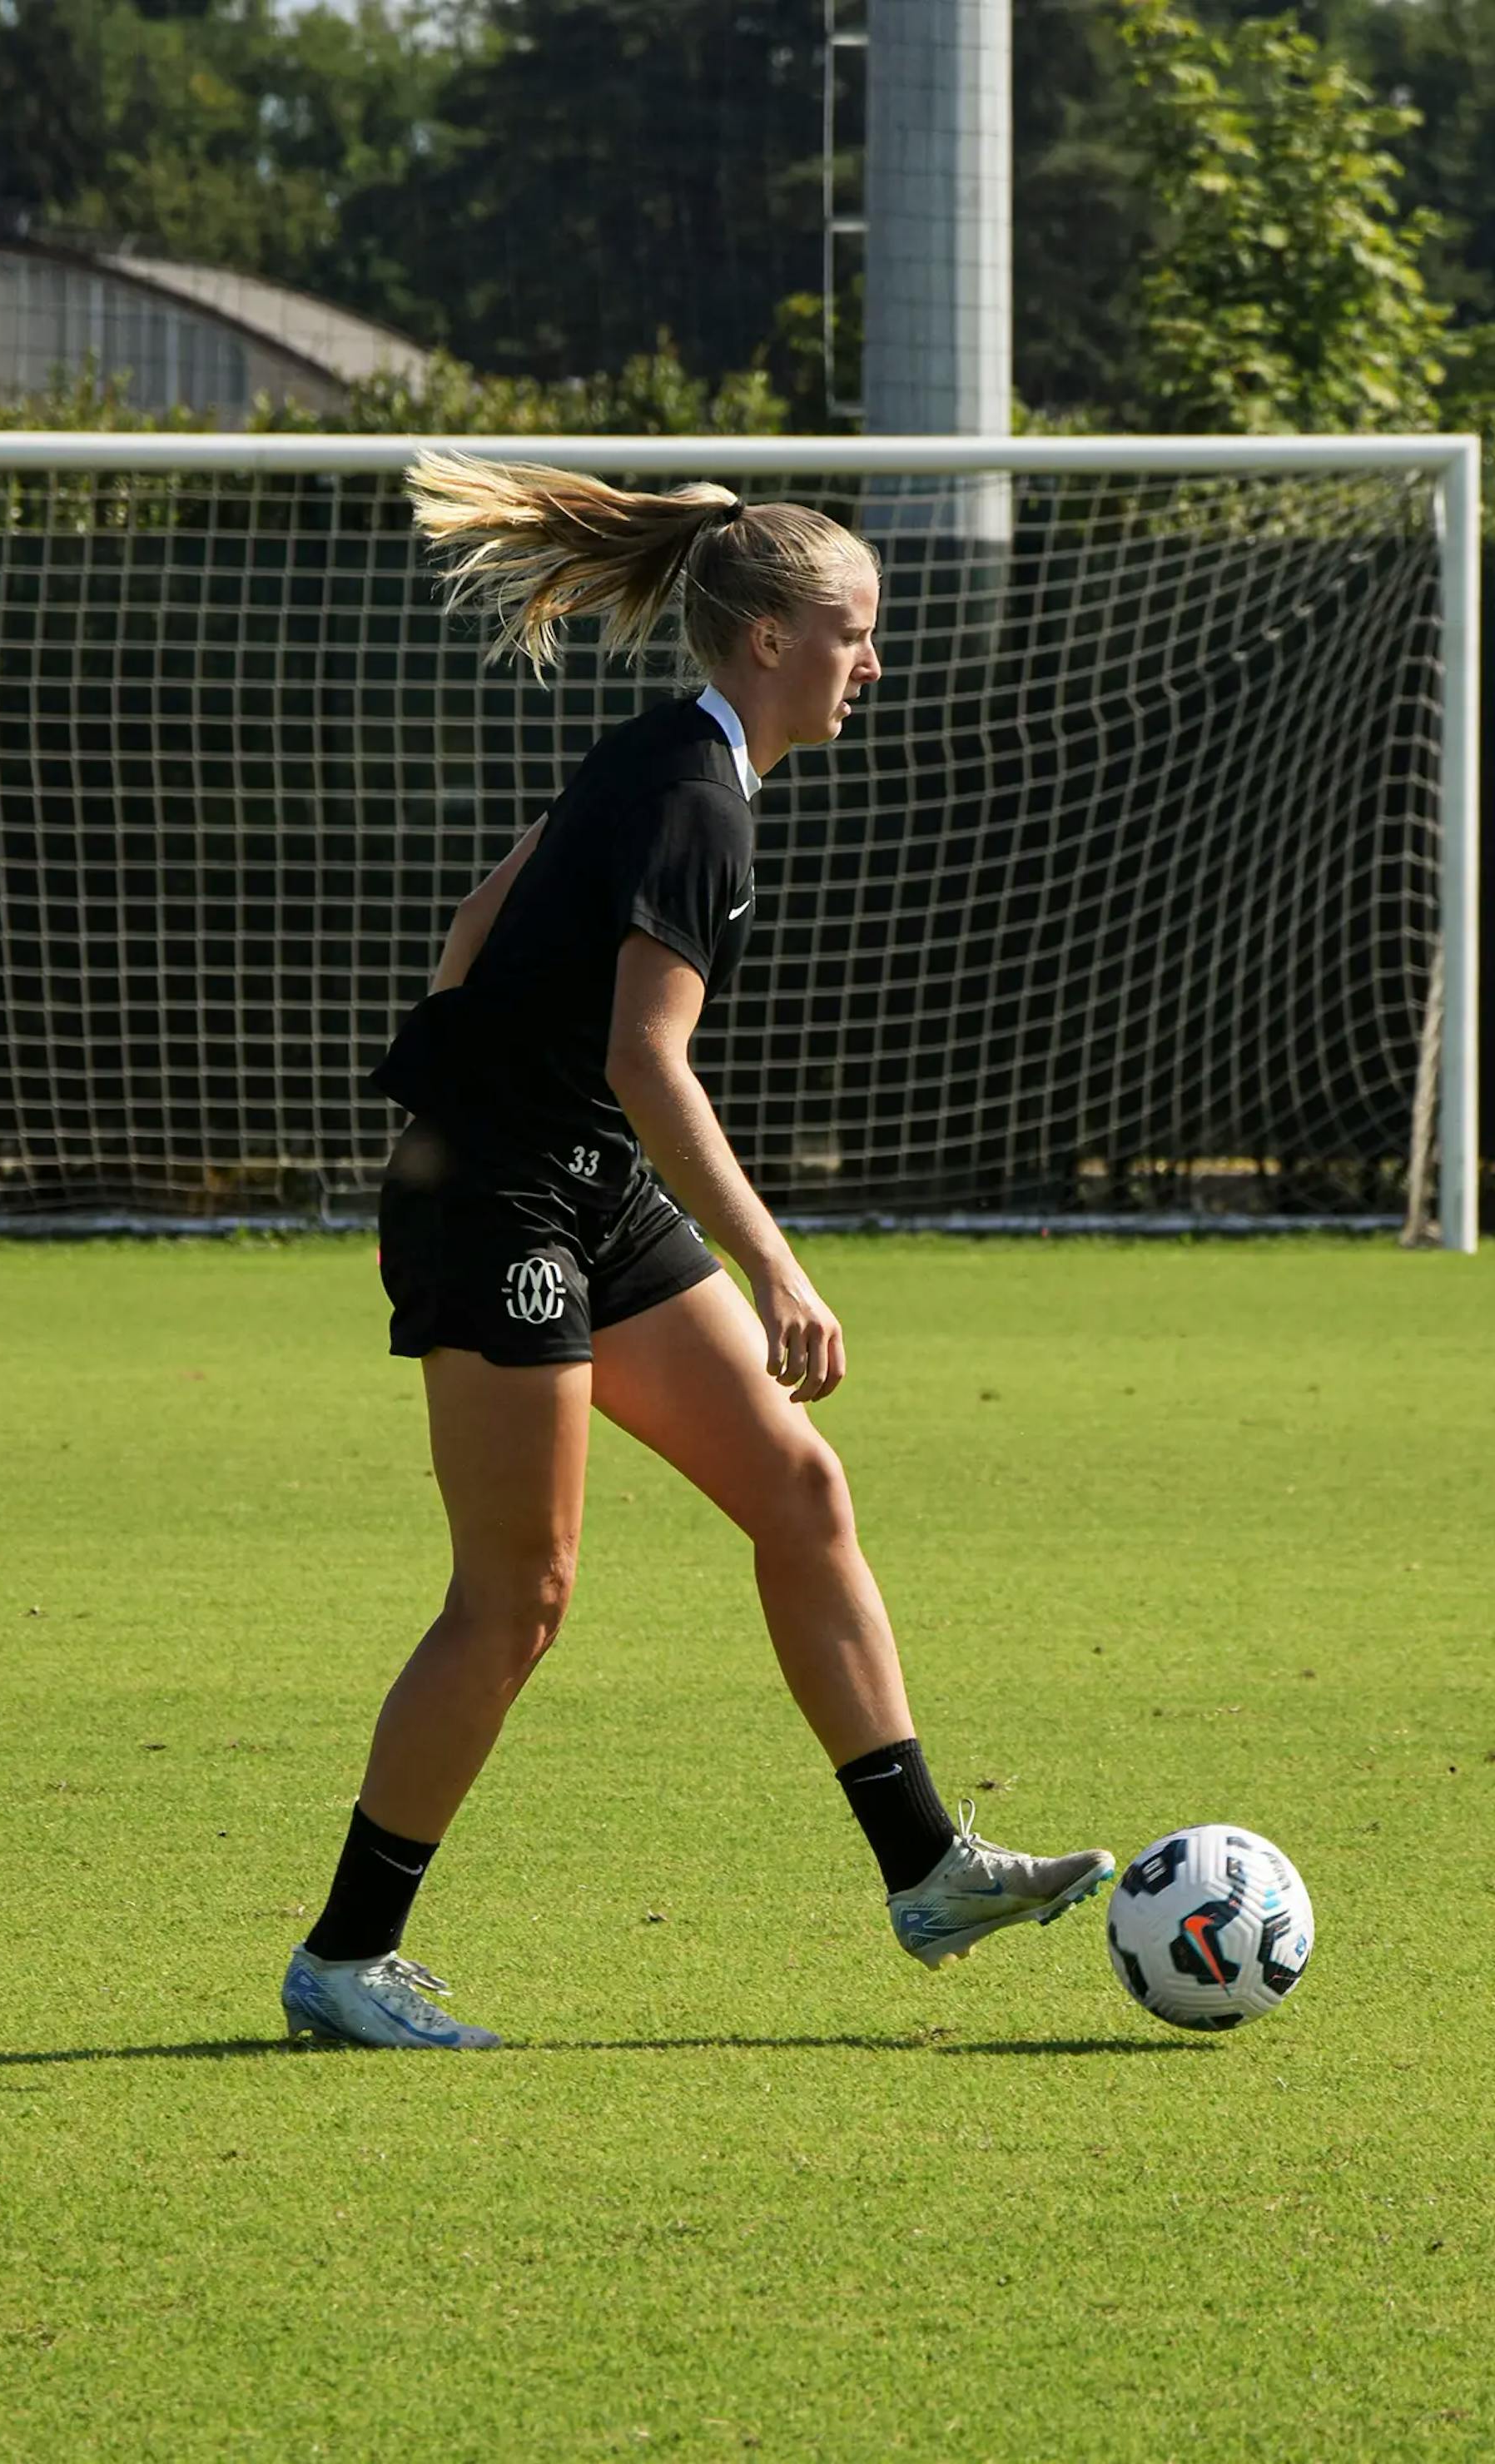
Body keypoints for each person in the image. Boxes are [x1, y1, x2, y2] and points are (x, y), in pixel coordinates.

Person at [280, 451, 1112, 2050]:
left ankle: (928, 1869)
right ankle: (343, 1962)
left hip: (563, 1177)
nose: (876, 662)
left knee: (800, 1489)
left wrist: (478, 1068)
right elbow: (653, 1062)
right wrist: (780, 1270)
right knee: (518, 1595)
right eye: (856, 632)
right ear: (772, 639)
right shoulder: (694, 796)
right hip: (510, 1202)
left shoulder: (674, 758)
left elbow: (483, 918)